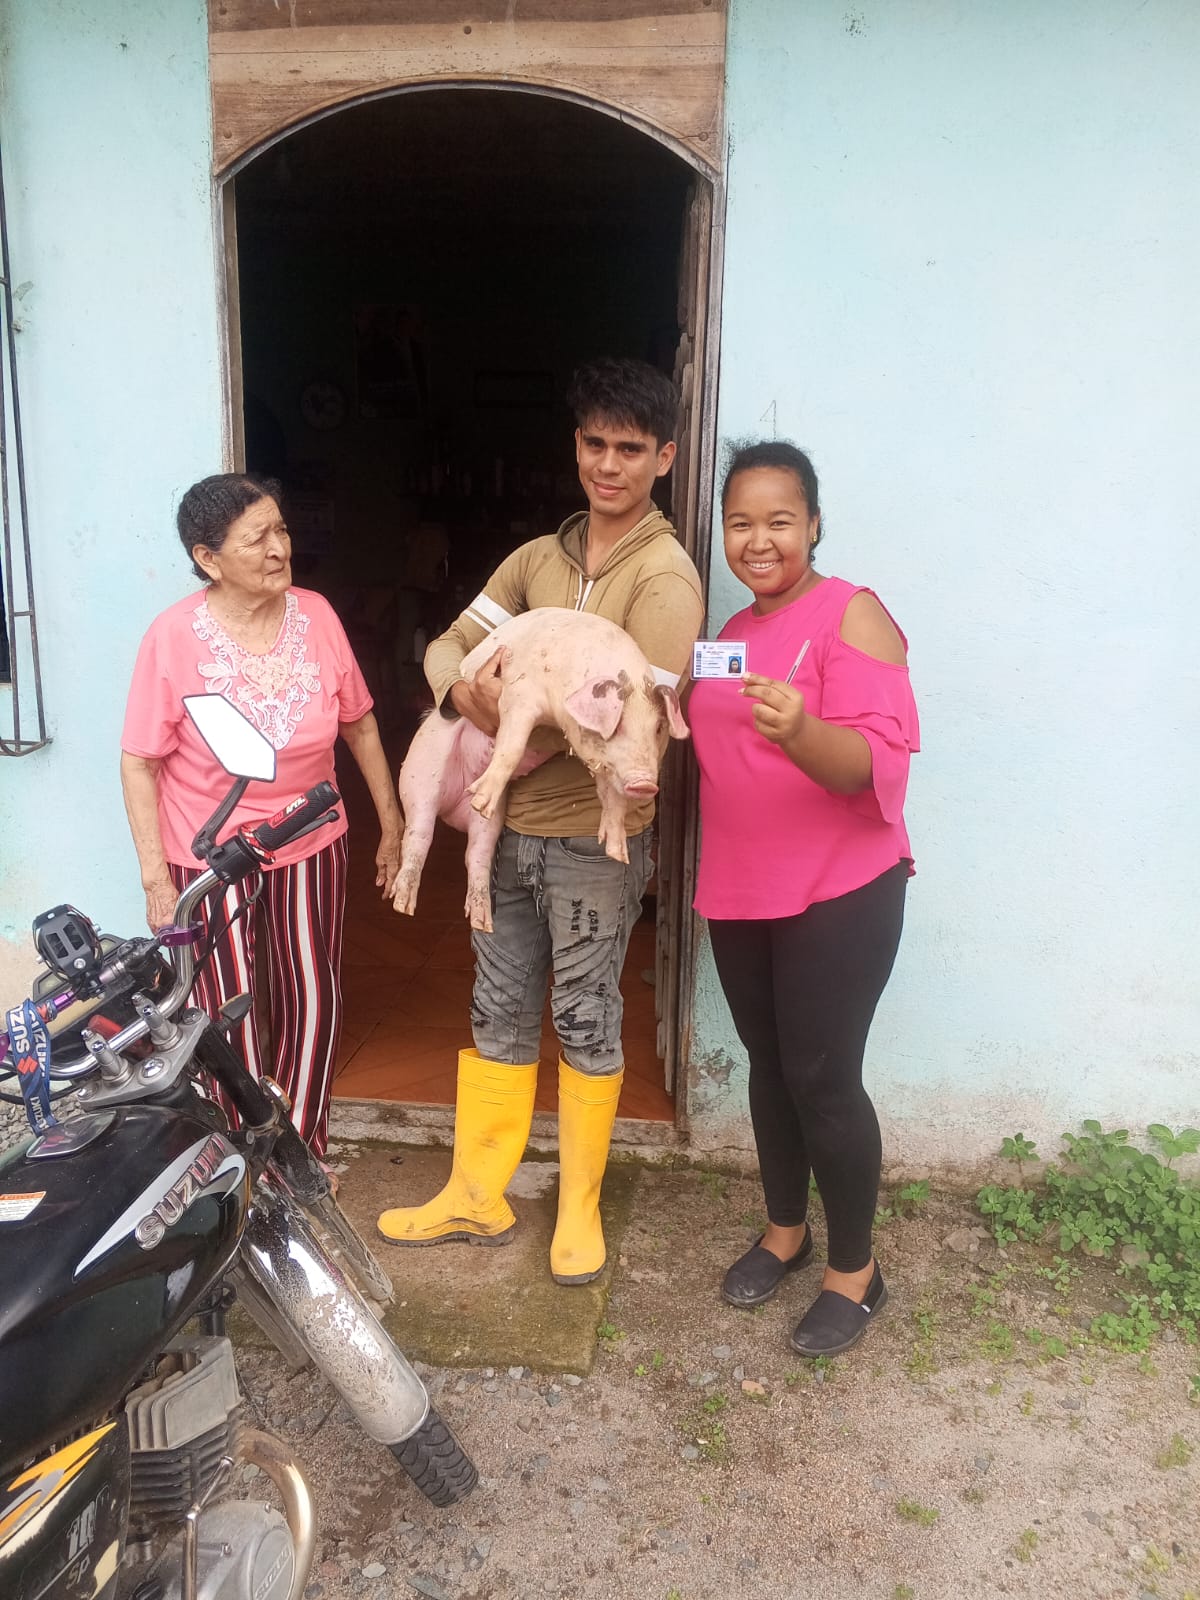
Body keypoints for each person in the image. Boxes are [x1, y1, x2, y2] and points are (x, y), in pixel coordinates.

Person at [377, 358, 705, 1284]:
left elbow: (631, 730)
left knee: (585, 1011)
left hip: (593, 842)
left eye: (630, 449)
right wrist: (468, 696)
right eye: (595, 443)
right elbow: (450, 643)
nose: (609, 464)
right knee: (499, 1004)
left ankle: (578, 1208)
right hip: (506, 826)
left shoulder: (666, 581)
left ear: (664, 458)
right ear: (576, 445)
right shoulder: (534, 560)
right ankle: (476, 1193)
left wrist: (511, 703)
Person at [688, 441, 919, 1357]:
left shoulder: (852, 614)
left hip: (840, 887)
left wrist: (803, 731)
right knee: (769, 1064)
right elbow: (705, 738)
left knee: (823, 1075)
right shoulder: (728, 634)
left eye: (780, 521)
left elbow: (874, 764)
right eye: (740, 523)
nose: (759, 540)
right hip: (742, 884)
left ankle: (857, 1274)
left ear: (814, 524)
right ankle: (786, 1231)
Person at [120, 473, 404, 1156]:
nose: (280, 548)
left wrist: (392, 824)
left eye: (281, 529)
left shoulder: (318, 615)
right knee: (227, 1007)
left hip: (311, 836)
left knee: (314, 990)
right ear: (208, 558)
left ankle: (302, 1148)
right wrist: (155, 878)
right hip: (210, 853)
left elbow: (360, 724)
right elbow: (139, 762)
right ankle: (243, 1151)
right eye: (257, 539)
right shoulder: (172, 637)